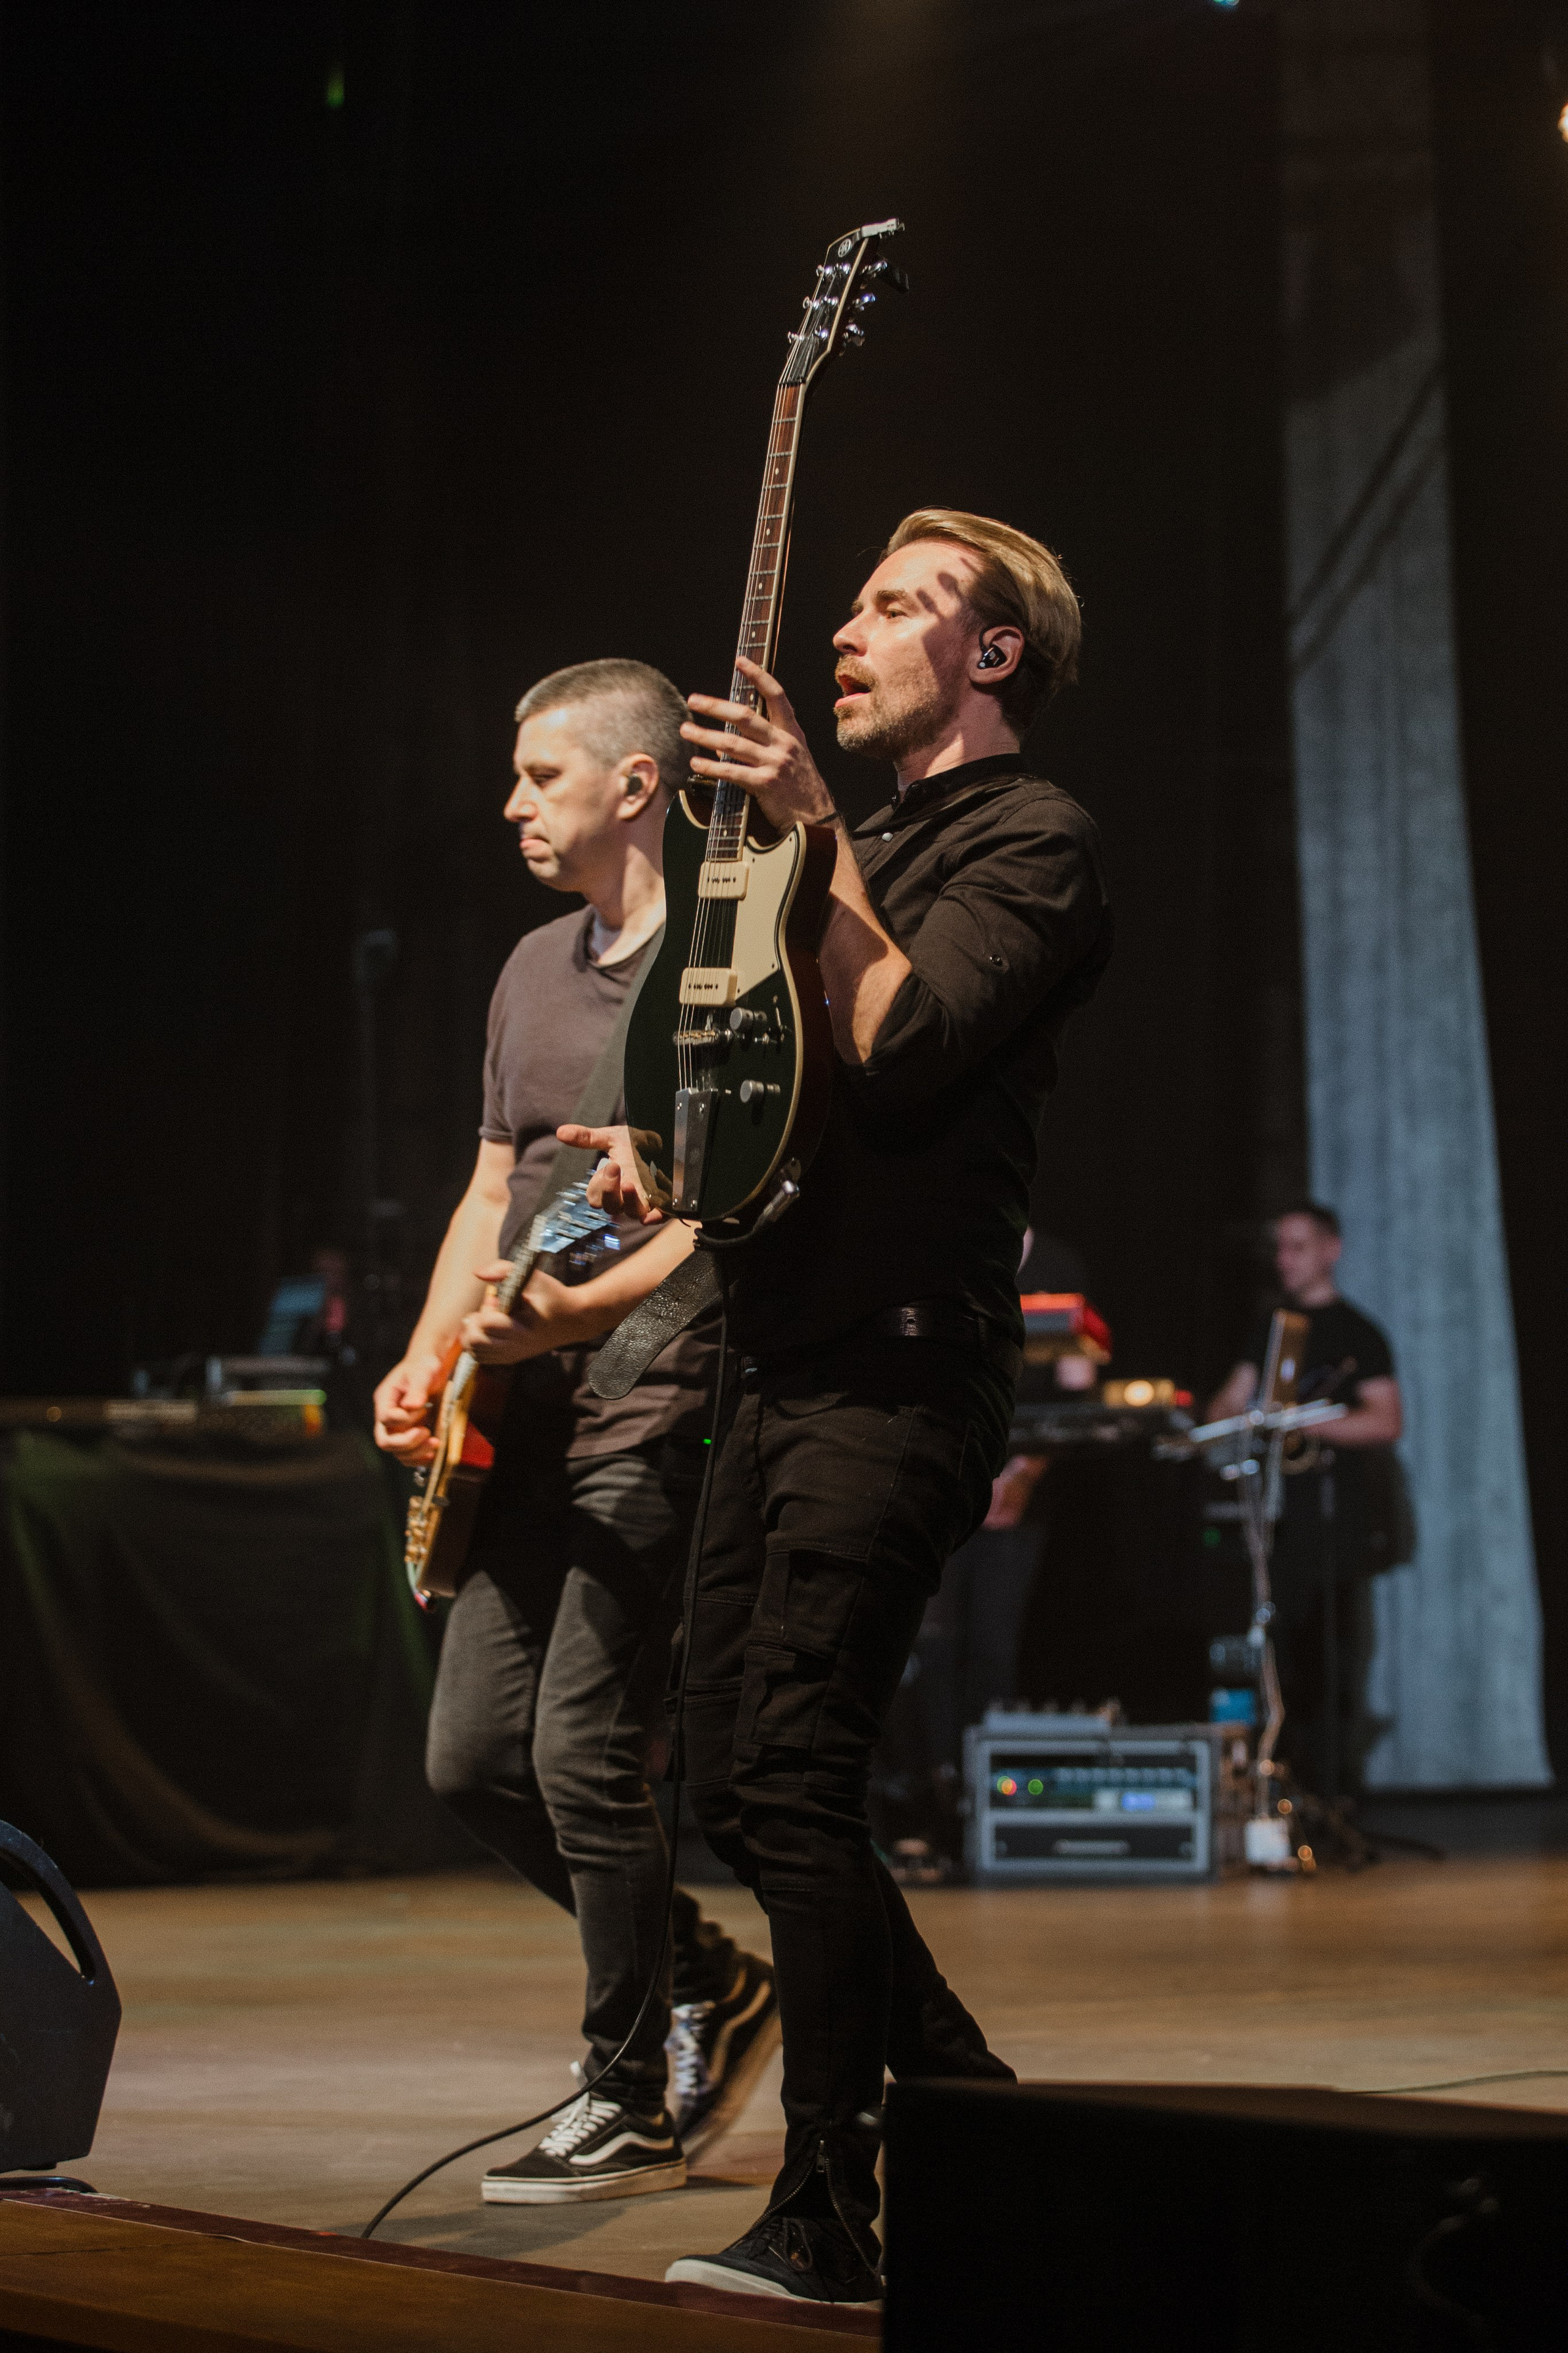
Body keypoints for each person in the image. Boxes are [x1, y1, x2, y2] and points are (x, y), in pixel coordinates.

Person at [569, 512, 1113, 2303]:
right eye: (855, 602)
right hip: (789, 1359)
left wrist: (808, 833)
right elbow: (803, 1098)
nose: (849, 631)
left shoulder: (1029, 837)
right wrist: (672, 1161)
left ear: (993, 652)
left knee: (793, 1773)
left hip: (898, 1363)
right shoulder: (858, 843)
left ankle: (830, 2204)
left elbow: (903, 1034)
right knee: (738, 1776)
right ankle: (965, 2104)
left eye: (896, 604)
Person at [373, 660, 778, 2205]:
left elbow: (723, 1212)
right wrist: (428, 1362)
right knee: (471, 1756)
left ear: (632, 785)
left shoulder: (721, 968)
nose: (513, 803)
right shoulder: (531, 964)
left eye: (541, 775)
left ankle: (623, 2090)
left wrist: (582, 1318)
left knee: (583, 1748)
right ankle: (701, 1974)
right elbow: (490, 1191)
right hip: (518, 1419)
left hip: (655, 1400)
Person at [1207, 1201, 1406, 1796]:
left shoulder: (1357, 1332)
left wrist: (1305, 1421)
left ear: (1330, 1249)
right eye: (1279, 1248)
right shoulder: (1272, 1328)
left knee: (1334, 1660)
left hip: (1333, 1518)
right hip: (1273, 1517)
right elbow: (1226, 1401)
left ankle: (1332, 1795)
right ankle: (1279, 1791)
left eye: (1297, 1246)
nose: (1284, 1260)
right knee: (1276, 1656)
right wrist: (1234, 1420)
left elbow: (1385, 1421)